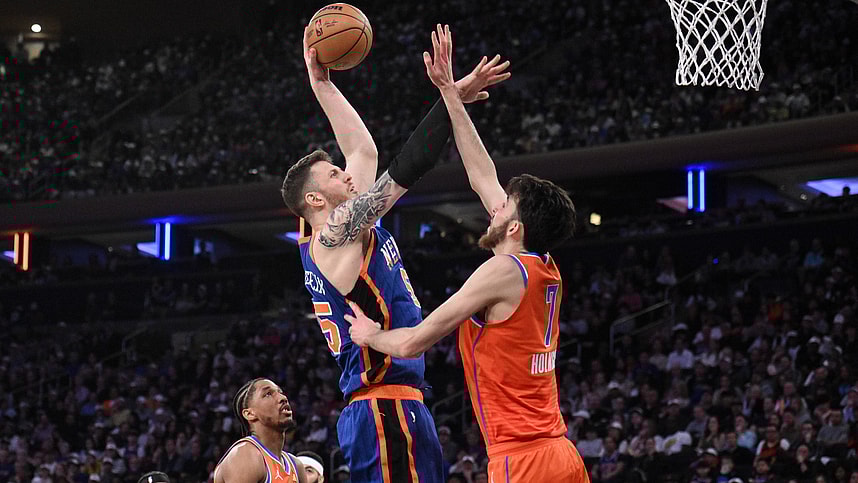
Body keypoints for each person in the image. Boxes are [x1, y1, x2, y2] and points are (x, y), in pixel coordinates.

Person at [348, 25, 585, 482]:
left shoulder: (502, 270)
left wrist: (370, 335)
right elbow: (482, 172)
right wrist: (450, 95)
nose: (491, 208)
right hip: (560, 453)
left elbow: (415, 340)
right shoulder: (543, 265)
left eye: (503, 207)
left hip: (524, 460)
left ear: (513, 227)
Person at [280, 22, 509, 483]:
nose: (347, 173)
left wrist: (320, 82)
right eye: (333, 174)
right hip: (381, 404)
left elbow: (363, 149)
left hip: (397, 401)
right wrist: (449, 97)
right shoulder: (335, 234)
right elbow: (410, 164)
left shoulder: (342, 226)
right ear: (316, 201)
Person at [213, 378, 307, 483]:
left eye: (280, 392)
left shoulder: (296, 466)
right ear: (250, 414)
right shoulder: (245, 456)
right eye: (268, 394)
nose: (283, 398)